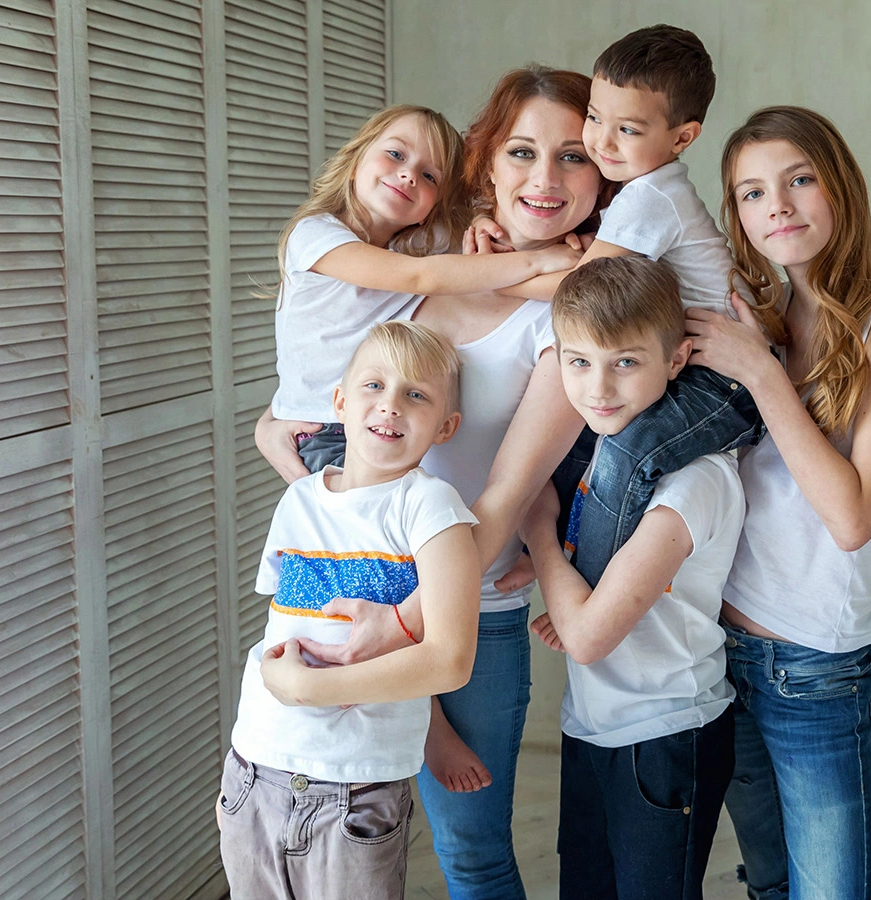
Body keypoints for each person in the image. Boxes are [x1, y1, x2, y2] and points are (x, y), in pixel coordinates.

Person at [255, 66, 605, 900]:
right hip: (357, 576)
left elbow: (503, 497)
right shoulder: (420, 262)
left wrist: (403, 623)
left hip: (463, 611)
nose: (544, 177)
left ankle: (435, 720)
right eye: (521, 151)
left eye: (573, 156)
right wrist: (278, 430)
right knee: (335, 829)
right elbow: (342, 394)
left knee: (469, 852)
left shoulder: (574, 320)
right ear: (488, 166)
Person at [684, 107, 871, 900]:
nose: (779, 206)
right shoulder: (758, 313)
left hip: (813, 665)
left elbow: (852, 517)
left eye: (799, 179)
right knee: (768, 881)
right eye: (752, 193)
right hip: (715, 643)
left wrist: (762, 374)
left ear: (840, 186)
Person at [475, 24, 780, 589]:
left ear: (683, 137)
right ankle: (552, 546)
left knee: (626, 451)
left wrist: (491, 279)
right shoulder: (640, 195)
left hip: (725, 381)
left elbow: (579, 285)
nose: (602, 142)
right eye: (595, 118)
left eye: (628, 129)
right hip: (689, 362)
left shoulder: (653, 196)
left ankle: (590, 589)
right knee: (581, 440)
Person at [218, 321, 481, 900]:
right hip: (255, 765)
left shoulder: (431, 507)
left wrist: (312, 690)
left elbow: (450, 660)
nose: (390, 405)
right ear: (340, 402)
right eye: (374, 385)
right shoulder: (297, 499)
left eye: (416, 394)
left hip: (355, 787)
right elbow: (283, 624)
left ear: (445, 426)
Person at [521, 256, 743, 900]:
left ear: (676, 360)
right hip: (594, 721)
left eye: (625, 361)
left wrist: (538, 529)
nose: (598, 387)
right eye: (579, 361)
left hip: (666, 730)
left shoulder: (693, 480)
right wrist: (571, 602)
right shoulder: (604, 453)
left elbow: (589, 638)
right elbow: (586, 612)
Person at [268, 104, 580, 471]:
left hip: (374, 417)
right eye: (395, 154)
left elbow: (465, 237)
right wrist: (538, 260)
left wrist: (481, 221)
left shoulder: (408, 246)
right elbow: (420, 276)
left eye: (429, 176)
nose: (408, 175)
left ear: (430, 209)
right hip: (326, 429)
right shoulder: (315, 234)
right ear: (354, 162)